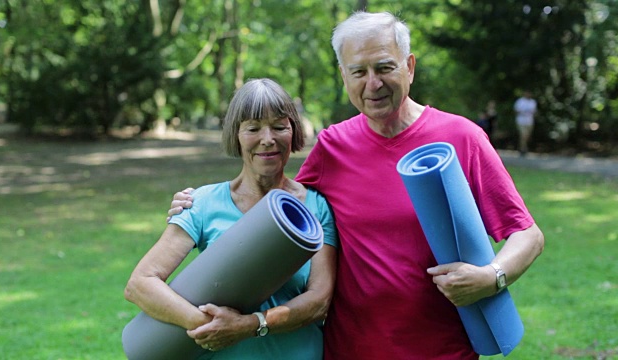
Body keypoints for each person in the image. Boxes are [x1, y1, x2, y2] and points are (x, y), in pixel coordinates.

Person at [169, 11, 544, 359]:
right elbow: (277, 210)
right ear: (344, 76)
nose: (373, 83)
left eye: (384, 68)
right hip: (347, 349)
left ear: (409, 67)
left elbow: (527, 234)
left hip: (443, 349)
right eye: (359, 71)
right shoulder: (333, 146)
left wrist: (491, 277)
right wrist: (197, 203)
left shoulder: (461, 138)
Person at [125, 78, 338, 359]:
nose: (268, 139)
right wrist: (207, 325)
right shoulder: (201, 203)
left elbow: (319, 301)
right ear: (236, 135)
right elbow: (141, 284)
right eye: (253, 128)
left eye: (279, 126)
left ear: (293, 131)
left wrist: (249, 325)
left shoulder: (315, 207)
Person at [514, 90, 537, 156]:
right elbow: (516, 110)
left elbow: (534, 111)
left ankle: (522, 146)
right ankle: (523, 149)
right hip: (521, 121)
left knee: (527, 136)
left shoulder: (532, 102)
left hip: (529, 121)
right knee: (523, 134)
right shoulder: (520, 101)